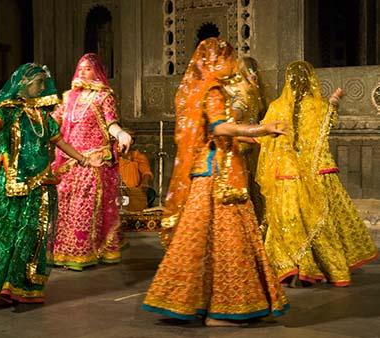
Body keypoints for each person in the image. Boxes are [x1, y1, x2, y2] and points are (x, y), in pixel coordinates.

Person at [142, 38, 289, 326]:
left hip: (204, 168)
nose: (233, 65)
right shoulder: (212, 89)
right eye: (229, 59)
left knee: (198, 238)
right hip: (218, 174)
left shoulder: (194, 90)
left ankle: (189, 301)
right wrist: (261, 127)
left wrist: (244, 136)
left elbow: (208, 133)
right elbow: (218, 126)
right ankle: (224, 310)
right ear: (215, 61)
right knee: (228, 238)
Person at [0, 63, 97, 305]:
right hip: (12, 182)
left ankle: (13, 285)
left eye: (44, 83)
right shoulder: (8, 109)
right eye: (39, 83)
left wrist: (84, 159)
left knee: (30, 233)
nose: (43, 87)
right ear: (24, 84)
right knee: (2, 232)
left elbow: (60, 142)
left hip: (40, 180)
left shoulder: (43, 115)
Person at [256, 60, 378, 287]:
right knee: (321, 223)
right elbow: (327, 121)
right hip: (318, 174)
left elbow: (262, 138)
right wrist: (334, 101)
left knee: (288, 223)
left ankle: (291, 267)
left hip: (286, 177)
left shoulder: (276, 107)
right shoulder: (319, 106)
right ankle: (325, 268)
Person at [51, 53, 132, 271]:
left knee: (84, 207)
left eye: (88, 68)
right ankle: (63, 251)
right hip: (69, 160)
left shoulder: (104, 97)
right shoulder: (67, 97)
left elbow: (111, 124)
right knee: (65, 206)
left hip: (94, 159)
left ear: (97, 71)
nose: (83, 72)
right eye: (81, 68)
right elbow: (52, 123)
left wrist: (122, 134)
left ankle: (83, 252)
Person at [221, 56, 266, 225]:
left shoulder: (239, 93)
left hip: (238, 149)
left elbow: (228, 126)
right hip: (252, 147)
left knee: (240, 192)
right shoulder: (254, 91)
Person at [119, 131, 156, 211]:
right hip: (116, 191)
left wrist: (145, 182)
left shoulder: (138, 156)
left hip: (134, 191)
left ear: (131, 141)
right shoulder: (111, 156)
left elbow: (146, 172)